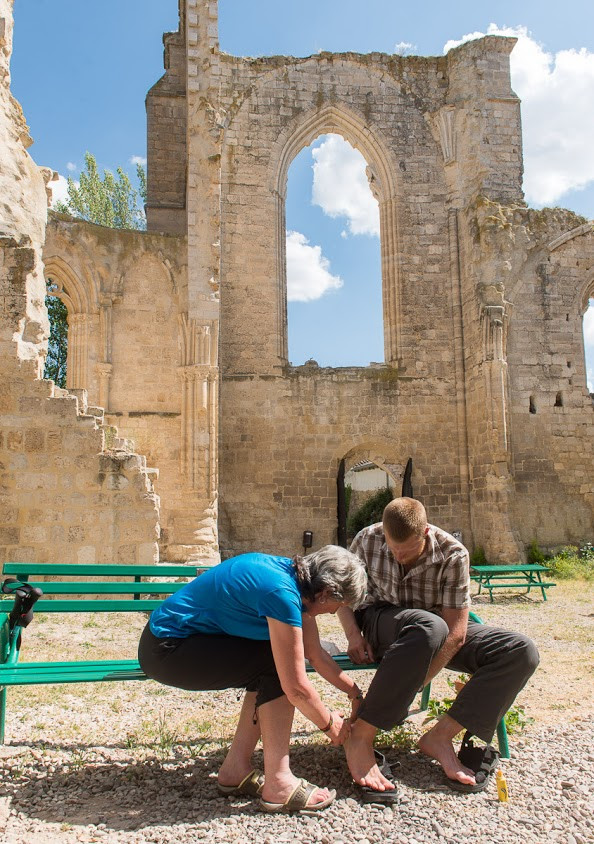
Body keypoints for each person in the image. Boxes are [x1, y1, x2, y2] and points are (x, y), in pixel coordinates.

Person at [138, 545, 368, 813]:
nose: (332, 613)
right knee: (274, 664)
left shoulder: (297, 579)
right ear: (326, 592)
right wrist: (330, 725)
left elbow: (315, 654)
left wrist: (355, 693)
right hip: (167, 650)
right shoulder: (281, 593)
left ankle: (235, 770)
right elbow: (296, 687)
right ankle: (279, 783)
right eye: (337, 606)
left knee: (272, 660)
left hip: (173, 641)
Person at [338, 497, 540, 797]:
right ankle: (361, 735)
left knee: (520, 650)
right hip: (383, 620)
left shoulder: (452, 553)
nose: (398, 555)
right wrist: (354, 635)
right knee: (428, 627)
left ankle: (440, 737)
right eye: (392, 549)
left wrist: (416, 683)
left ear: (425, 533)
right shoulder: (366, 539)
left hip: (438, 629)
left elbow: (456, 631)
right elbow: (342, 596)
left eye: (405, 551)